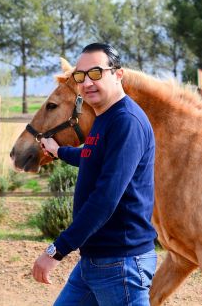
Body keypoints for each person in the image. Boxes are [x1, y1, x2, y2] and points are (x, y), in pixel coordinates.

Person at [32, 42, 157, 305]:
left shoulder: (126, 122)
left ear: (118, 74)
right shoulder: (105, 117)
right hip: (95, 261)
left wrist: (56, 250)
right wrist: (59, 151)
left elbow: (105, 198)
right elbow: (92, 155)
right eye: (81, 76)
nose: (87, 82)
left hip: (121, 264)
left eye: (96, 73)